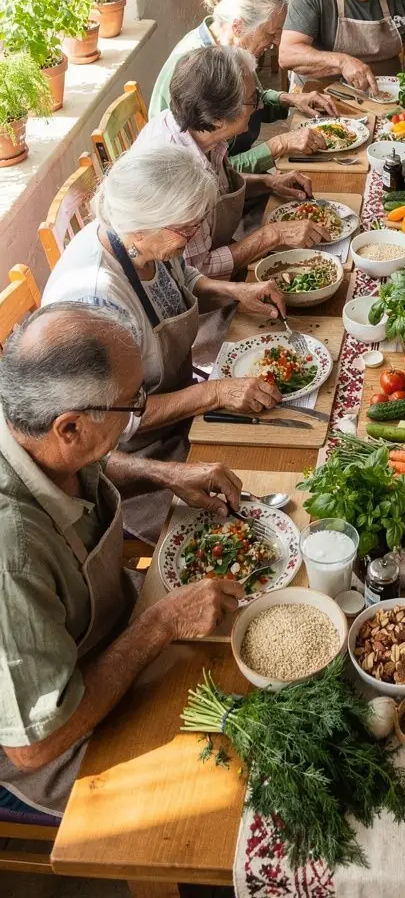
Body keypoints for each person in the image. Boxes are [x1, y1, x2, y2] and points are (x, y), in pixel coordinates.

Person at [0, 305, 245, 817]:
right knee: (229, 781)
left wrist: (164, 474)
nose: (140, 411)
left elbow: (93, 458)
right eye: (131, 405)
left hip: (108, 635)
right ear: (69, 427)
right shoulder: (13, 551)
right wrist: (160, 622)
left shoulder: (36, 432)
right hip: (52, 744)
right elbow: (33, 746)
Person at [42, 144, 288, 539]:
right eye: (186, 230)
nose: (191, 238)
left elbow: (182, 281)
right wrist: (215, 394)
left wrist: (235, 292)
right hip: (139, 460)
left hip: (182, 411)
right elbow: (114, 420)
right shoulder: (97, 300)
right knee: (251, 514)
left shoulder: (142, 240)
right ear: (141, 225)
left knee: (282, 446)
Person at [134, 46, 331, 278]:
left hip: (221, 241)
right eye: (252, 100)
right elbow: (199, 271)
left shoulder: (198, 130)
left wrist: (269, 182)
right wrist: (273, 235)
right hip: (198, 294)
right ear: (218, 119)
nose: (258, 106)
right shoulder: (180, 173)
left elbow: (219, 186)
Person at [149, 0, 338, 171]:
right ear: (238, 26)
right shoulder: (201, 71)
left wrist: (289, 99)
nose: (277, 42)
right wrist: (278, 144)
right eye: (271, 33)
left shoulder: (232, 51)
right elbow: (211, 172)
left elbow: (249, 100)